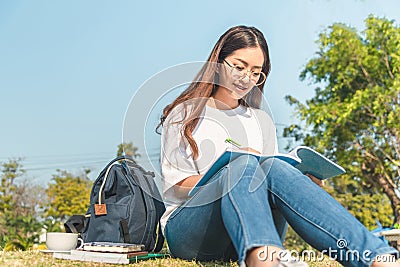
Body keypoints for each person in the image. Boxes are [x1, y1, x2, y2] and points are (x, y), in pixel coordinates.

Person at [156, 25, 399, 267]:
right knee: (242, 165)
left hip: (248, 230)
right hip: (192, 231)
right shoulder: (185, 114)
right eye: (239, 67)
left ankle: (376, 258)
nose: (246, 79)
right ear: (219, 64)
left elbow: (269, 180)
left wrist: (299, 179)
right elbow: (176, 187)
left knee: (273, 166)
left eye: (255, 73)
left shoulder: (260, 121)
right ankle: (262, 258)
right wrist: (231, 170)